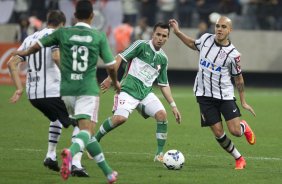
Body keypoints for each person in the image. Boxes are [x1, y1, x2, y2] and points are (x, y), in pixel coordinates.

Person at [11, 0, 120, 183]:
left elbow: (37, 46)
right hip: (87, 89)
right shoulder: (98, 36)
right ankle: (72, 153)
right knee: (86, 131)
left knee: (85, 131)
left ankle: (108, 173)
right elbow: (110, 66)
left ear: (74, 16)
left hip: (67, 90)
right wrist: (115, 82)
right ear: (92, 16)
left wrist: (22, 54)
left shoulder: (62, 33)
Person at [8, 10, 89, 177]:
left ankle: (50, 156)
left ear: (47, 21)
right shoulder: (58, 35)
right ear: (62, 23)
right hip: (52, 91)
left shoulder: (30, 38)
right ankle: (75, 164)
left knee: (56, 118)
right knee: (83, 121)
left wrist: (18, 88)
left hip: (33, 95)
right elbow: (56, 56)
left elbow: (12, 63)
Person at [169, 17, 256, 169]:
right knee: (218, 132)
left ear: (230, 30)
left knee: (235, 131)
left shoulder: (233, 54)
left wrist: (243, 101)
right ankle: (239, 158)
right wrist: (177, 32)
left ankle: (243, 126)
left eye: (223, 27)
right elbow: (191, 43)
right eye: (217, 26)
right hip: (204, 95)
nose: (219, 29)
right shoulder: (206, 39)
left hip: (224, 96)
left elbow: (239, 79)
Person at [95, 22, 182, 162]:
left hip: (145, 94)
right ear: (153, 34)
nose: (160, 38)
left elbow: (164, 84)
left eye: (164, 36)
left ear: (167, 38)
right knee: (120, 119)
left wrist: (173, 105)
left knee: (162, 115)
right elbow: (120, 58)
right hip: (127, 90)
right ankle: (94, 140)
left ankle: (159, 155)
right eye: (158, 34)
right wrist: (110, 79)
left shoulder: (163, 58)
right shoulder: (141, 45)